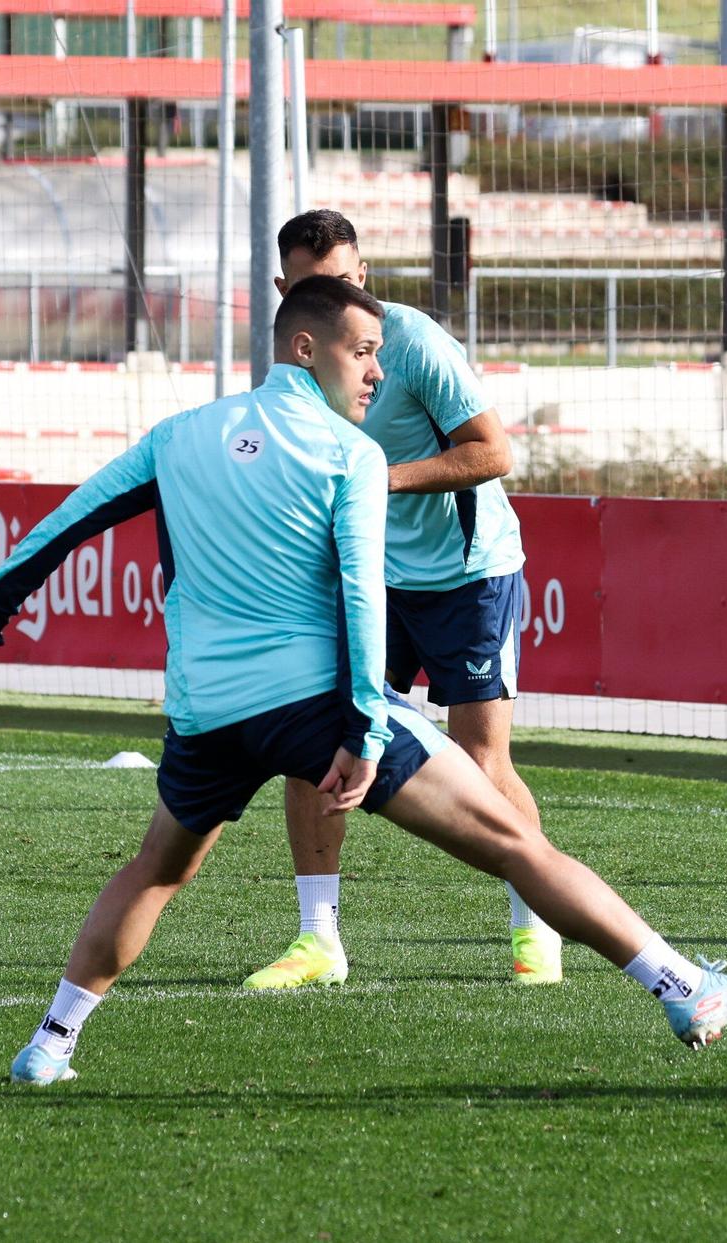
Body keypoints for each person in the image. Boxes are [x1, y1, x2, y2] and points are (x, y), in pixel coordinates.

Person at [0, 276, 727, 1087]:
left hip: (205, 713)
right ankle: (685, 989)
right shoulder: (350, 452)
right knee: (516, 841)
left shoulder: (178, 436)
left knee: (156, 868)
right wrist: (366, 730)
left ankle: (50, 1043)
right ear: (306, 348)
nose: (378, 370)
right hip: (313, 705)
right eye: (363, 351)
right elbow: (360, 593)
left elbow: (64, 524)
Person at [242, 209, 562, 993]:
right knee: (315, 744)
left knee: (482, 762)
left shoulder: (414, 342)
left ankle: (538, 921)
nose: (334, 299)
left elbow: (493, 451)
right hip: (373, 578)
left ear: (364, 276)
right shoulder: (294, 362)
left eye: (343, 281)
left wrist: (380, 480)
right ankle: (319, 940)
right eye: (313, 287)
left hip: (467, 574)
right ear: (285, 292)